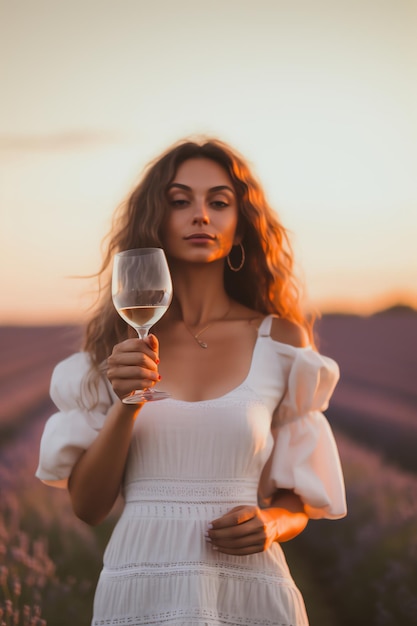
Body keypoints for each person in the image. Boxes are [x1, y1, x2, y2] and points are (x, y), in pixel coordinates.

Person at [36, 137, 347, 626]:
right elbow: (89, 507)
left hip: (250, 590)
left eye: (219, 202)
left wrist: (272, 523)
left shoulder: (281, 341)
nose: (200, 215)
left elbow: (300, 498)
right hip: (138, 584)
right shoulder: (112, 352)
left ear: (240, 227)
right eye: (180, 201)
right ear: (154, 221)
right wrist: (127, 403)